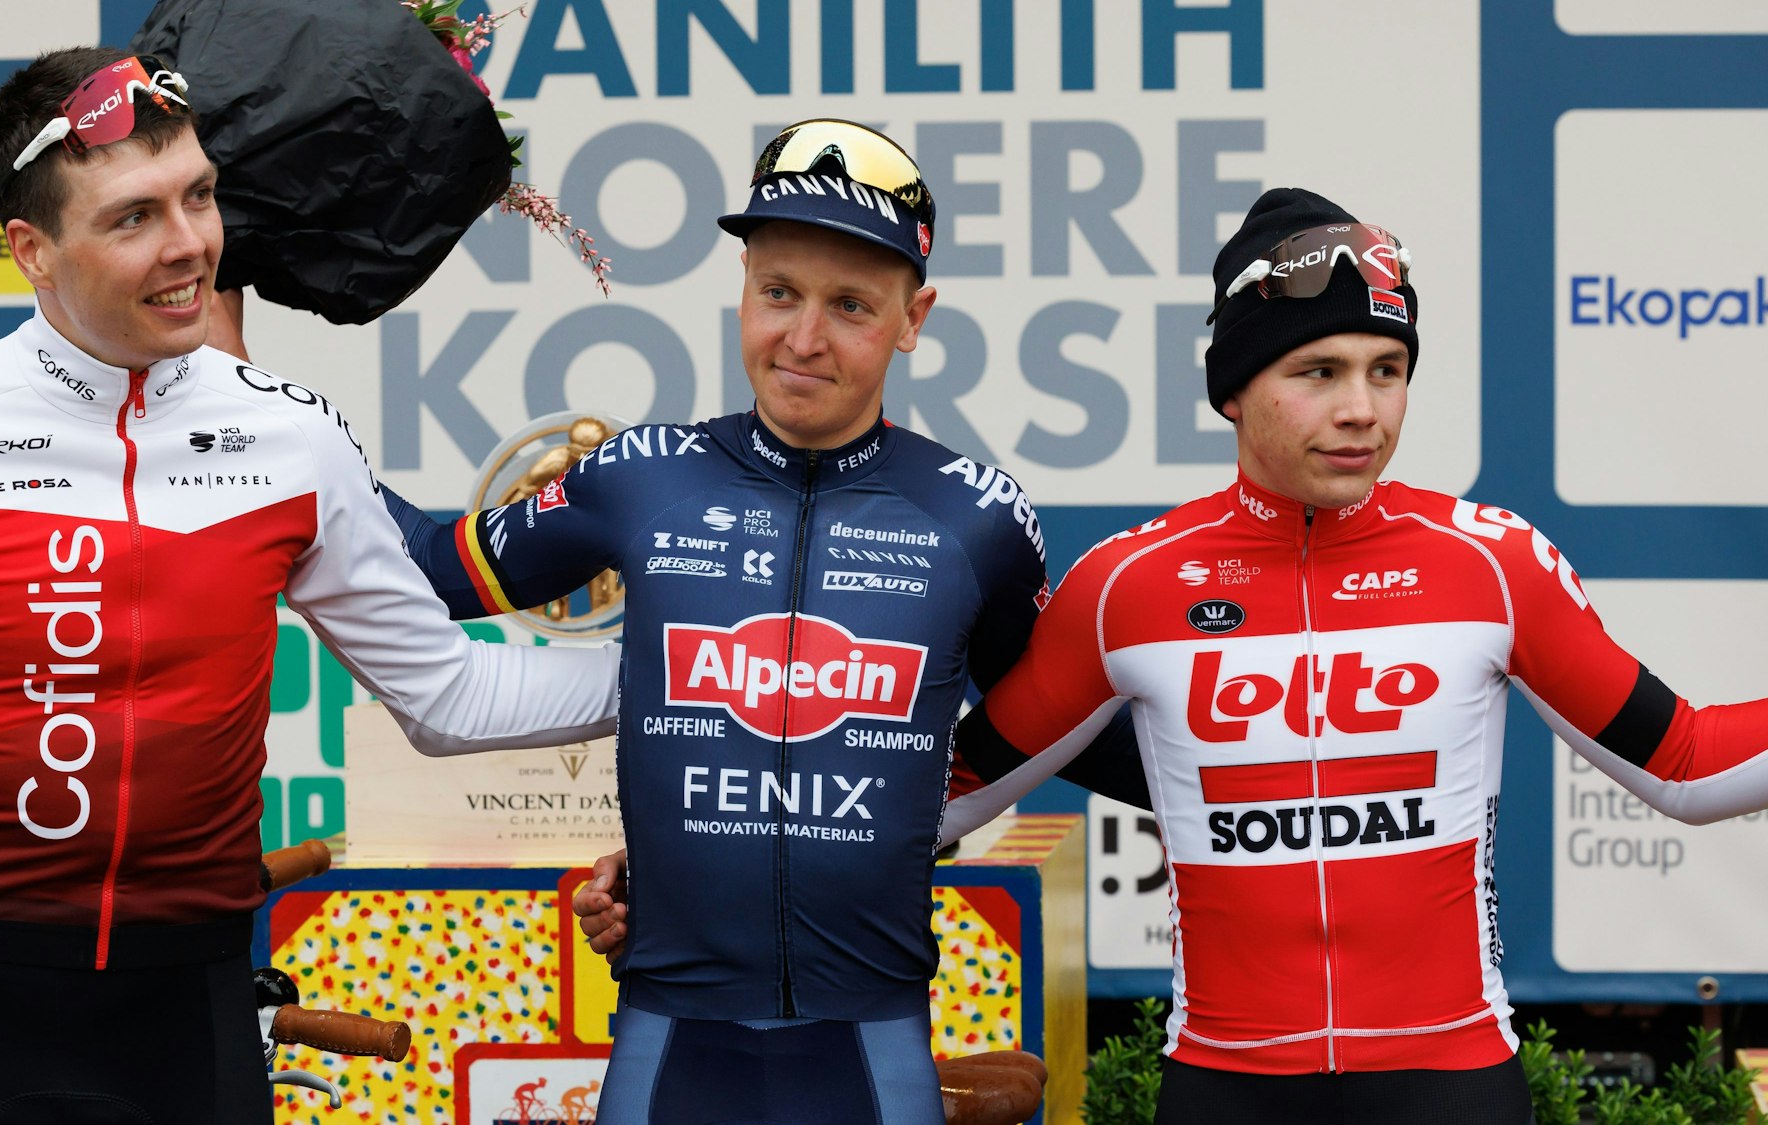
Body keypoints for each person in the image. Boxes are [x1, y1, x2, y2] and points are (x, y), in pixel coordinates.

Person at [0, 47, 620, 1125]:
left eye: (200, 196)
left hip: (191, 1011)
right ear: (32, 250)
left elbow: (448, 696)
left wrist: (686, 672)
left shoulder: (289, 437)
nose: (188, 247)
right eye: (133, 218)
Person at [931, 187, 1768, 1123]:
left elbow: (1688, 764)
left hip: (1452, 1085)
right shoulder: (1129, 585)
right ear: (1234, 388)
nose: (1362, 409)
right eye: (1319, 371)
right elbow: (943, 796)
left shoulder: (1491, 563)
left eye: (1388, 368)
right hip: (1226, 1087)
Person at [385, 119, 1132, 1124]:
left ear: (914, 318)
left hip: (871, 1048)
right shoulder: (640, 475)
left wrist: (915, 820)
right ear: (742, 283)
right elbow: (435, 571)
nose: (802, 339)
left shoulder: (977, 517)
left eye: (850, 307)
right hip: (668, 1041)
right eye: (777, 292)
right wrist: (289, 438)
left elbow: (1056, 719)